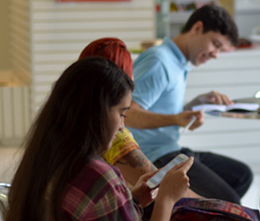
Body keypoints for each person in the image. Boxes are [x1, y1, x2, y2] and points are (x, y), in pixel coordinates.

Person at [0, 58, 260, 221]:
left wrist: (134, 199)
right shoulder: (96, 176)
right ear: (96, 112)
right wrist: (167, 200)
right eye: (121, 113)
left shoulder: (44, 161)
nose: (123, 125)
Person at [125, 4, 253, 204]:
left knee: (241, 175)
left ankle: (195, 220)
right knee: (229, 201)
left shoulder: (177, 63)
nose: (216, 54)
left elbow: (155, 108)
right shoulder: (159, 60)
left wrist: (194, 105)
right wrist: (176, 118)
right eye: (215, 44)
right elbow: (128, 115)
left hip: (171, 149)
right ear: (197, 28)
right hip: (156, 156)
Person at [78, 37, 200, 199]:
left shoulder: (67, 119)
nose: (123, 123)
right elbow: (170, 194)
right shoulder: (115, 136)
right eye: (123, 114)